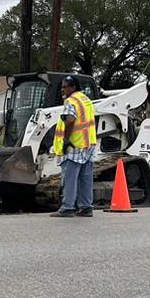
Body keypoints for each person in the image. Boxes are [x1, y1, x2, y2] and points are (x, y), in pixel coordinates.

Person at [50, 74, 97, 218]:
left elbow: (70, 120)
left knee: (70, 177)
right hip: (88, 143)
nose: (62, 89)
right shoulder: (85, 99)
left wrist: (65, 140)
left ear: (73, 87)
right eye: (62, 87)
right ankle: (86, 207)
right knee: (85, 178)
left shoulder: (71, 101)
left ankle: (68, 207)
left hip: (74, 144)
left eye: (65, 87)